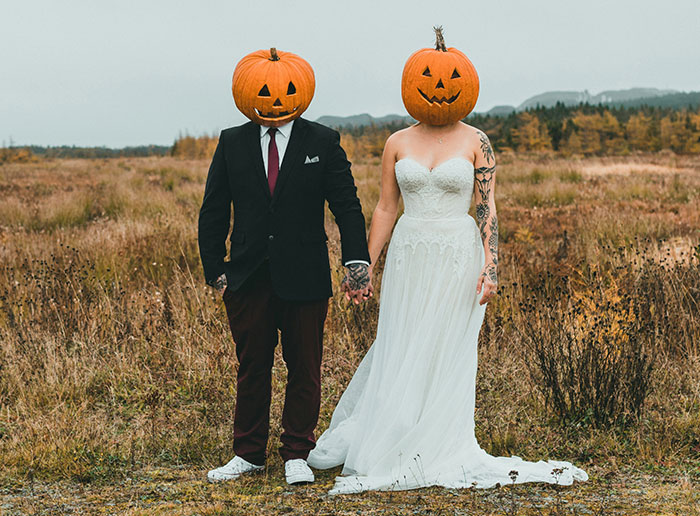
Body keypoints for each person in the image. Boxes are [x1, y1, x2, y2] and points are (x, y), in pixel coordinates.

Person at [306, 28, 589, 494]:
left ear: (466, 83)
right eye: (430, 78)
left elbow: (487, 207)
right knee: (403, 340)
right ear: (411, 83)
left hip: (459, 256)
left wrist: (491, 265)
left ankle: (439, 441)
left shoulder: (478, 140)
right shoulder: (397, 141)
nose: (440, 86)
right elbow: (384, 208)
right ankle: (395, 434)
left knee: (448, 348)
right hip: (410, 253)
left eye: (451, 77)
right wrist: (364, 266)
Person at [198, 47, 371, 486]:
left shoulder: (323, 142)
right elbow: (213, 209)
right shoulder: (231, 142)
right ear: (245, 92)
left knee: (305, 366)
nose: (276, 101)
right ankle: (248, 453)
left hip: (306, 277)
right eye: (265, 92)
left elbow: (347, 207)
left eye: (287, 91)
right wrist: (215, 268)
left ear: (302, 92)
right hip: (248, 277)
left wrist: (357, 262)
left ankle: (298, 450)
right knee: (252, 366)